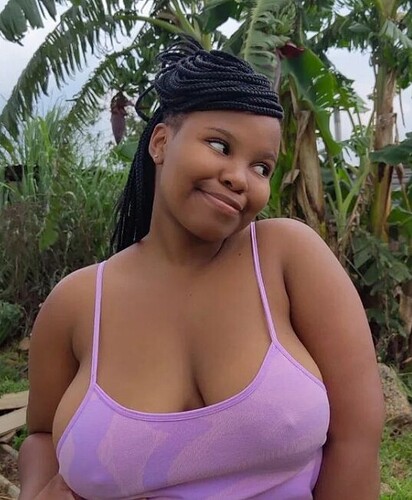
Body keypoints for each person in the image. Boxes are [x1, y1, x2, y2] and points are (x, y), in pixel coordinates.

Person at [18, 39, 384, 499]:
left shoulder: (286, 258)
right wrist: (36, 490)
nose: (239, 177)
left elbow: (356, 439)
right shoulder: (76, 303)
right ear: (160, 142)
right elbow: (41, 435)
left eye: (262, 167)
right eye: (219, 145)